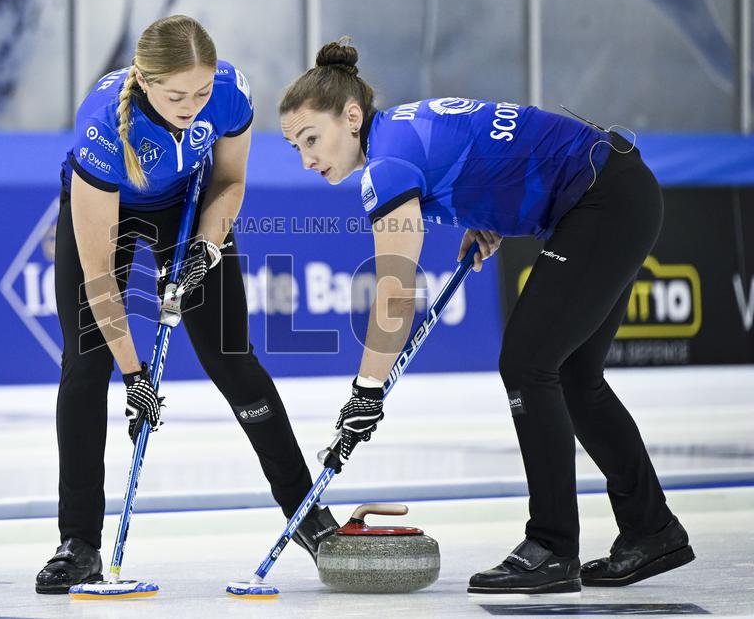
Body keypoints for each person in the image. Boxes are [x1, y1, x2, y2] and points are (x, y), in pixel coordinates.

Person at [278, 38, 694, 595]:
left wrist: (366, 391)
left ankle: (552, 547)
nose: (306, 160)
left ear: (351, 118)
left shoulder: (387, 163)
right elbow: (490, 148)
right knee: (575, 376)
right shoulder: (400, 129)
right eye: (295, 148)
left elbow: (396, 291)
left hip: (601, 199)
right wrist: (487, 211)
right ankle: (652, 530)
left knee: (527, 364)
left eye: (311, 139)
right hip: (619, 190)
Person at [35, 15, 337, 594]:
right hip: (106, 208)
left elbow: (229, 181)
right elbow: (99, 276)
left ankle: (307, 514)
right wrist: (136, 375)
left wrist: (206, 247)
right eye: (177, 97)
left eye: (200, 94)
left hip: (187, 210)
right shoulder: (103, 124)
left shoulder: (229, 92)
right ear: (145, 81)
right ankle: (79, 542)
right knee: (86, 363)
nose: (192, 107)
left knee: (231, 356)